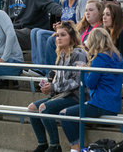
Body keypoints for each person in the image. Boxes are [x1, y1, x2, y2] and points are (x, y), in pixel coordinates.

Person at [59, 28, 123, 152]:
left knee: (64, 114)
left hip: (100, 104)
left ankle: (75, 149)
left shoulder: (99, 58)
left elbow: (90, 84)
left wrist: (82, 71)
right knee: (75, 115)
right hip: (113, 105)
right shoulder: (118, 56)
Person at [28, 21, 87, 152]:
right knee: (31, 109)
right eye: (58, 35)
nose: (58, 38)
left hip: (76, 96)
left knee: (44, 108)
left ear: (71, 37)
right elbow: (56, 75)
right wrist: (48, 84)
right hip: (62, 95)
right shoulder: (61, 54)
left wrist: (53, 87)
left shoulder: (79, 53)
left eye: (63, 35)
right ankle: (43, 144)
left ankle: (55, 146)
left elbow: (76, 81)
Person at [27, 0, 77, 77]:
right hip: (63, 32)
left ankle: (44, 71)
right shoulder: (66, 2)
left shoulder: (78, 1)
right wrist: (59, 26)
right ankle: (37, 66)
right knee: (34, 31)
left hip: (72, 34)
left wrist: (63, 29)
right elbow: (65, 21)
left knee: (43, 35)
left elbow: (77, 23)